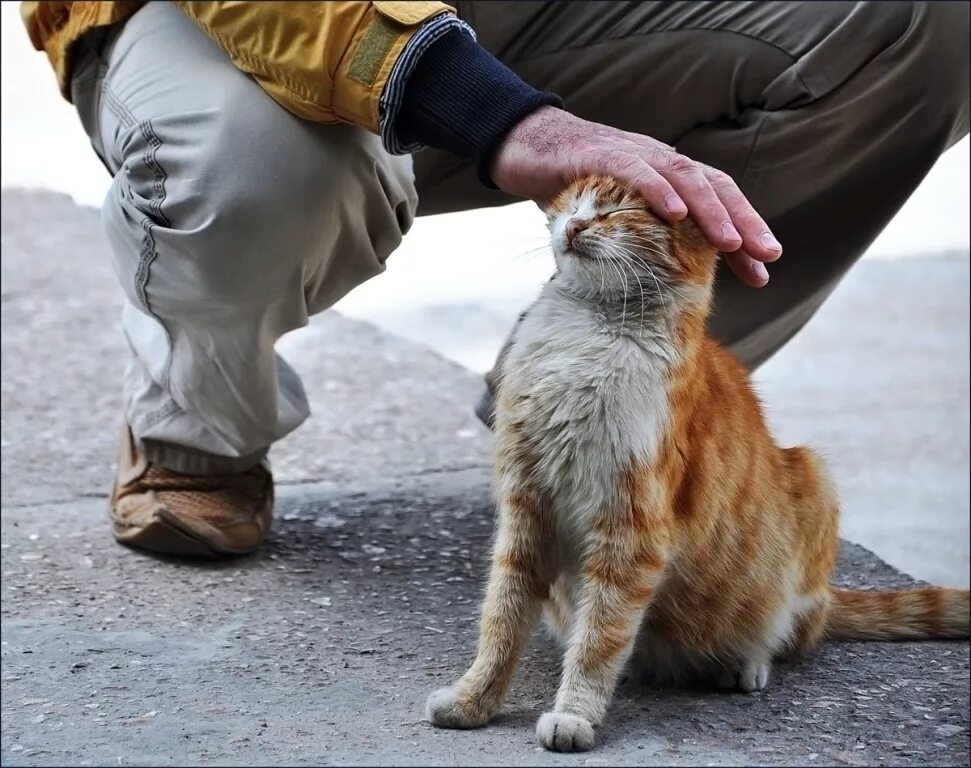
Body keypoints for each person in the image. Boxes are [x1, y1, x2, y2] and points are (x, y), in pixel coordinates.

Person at [22, 1, 969, 558]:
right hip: (228, 22)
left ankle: (592, 430)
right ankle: (194, 423)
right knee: (259, 170)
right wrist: (500, 118)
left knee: (920, 23)